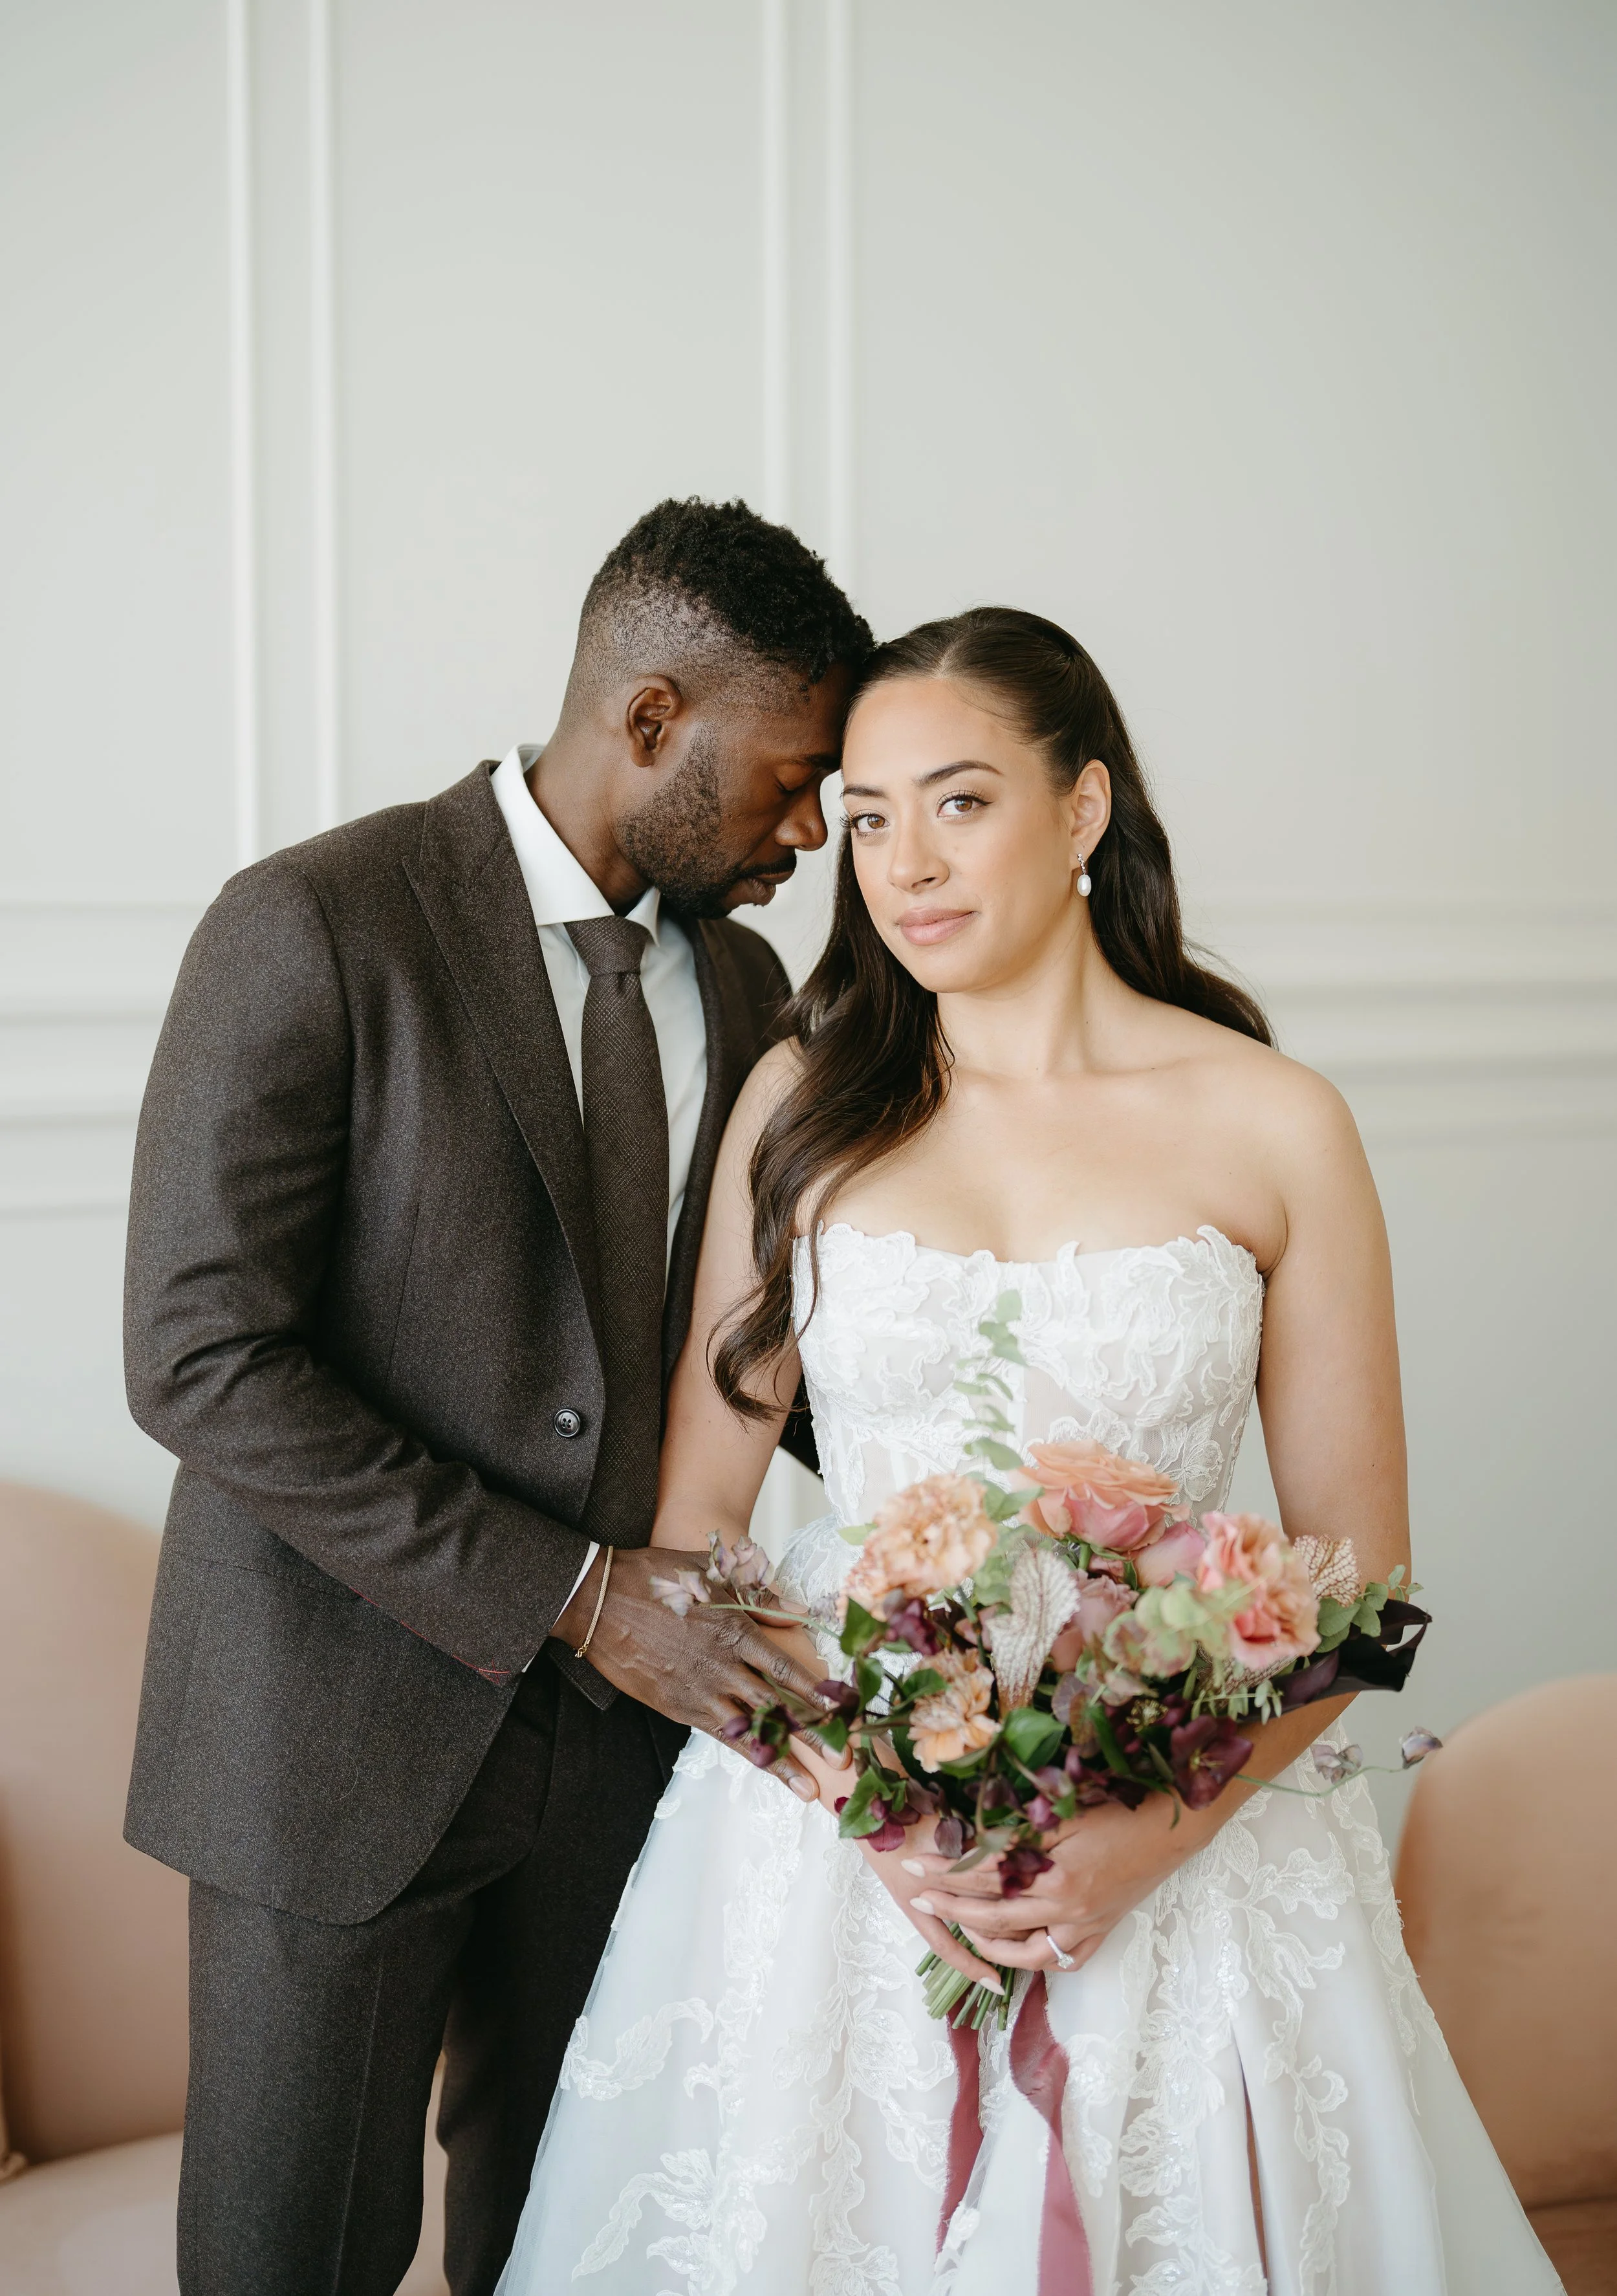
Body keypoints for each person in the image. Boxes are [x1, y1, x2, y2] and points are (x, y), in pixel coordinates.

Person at [499, 608, 1563, 2292]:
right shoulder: (800, 1106)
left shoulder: (1274, 1121)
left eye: (959, 802)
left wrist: (1152, 1831)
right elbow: (698, 1531)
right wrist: (887, 1814)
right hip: (834, 1839)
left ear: (1082, 809)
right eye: (863, 819)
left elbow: (1363, 1585)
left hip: (1182, 1836)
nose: (902, 864)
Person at [121, 497, 871, 2296]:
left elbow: (745, 1347)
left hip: (625, 1760)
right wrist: (580, 1594)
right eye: (790, 779)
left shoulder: (753, 983)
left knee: (578, 2246)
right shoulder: (312, 922)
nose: (807, 834)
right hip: (332, 1746)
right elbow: (196, 1354)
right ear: (650, 718)